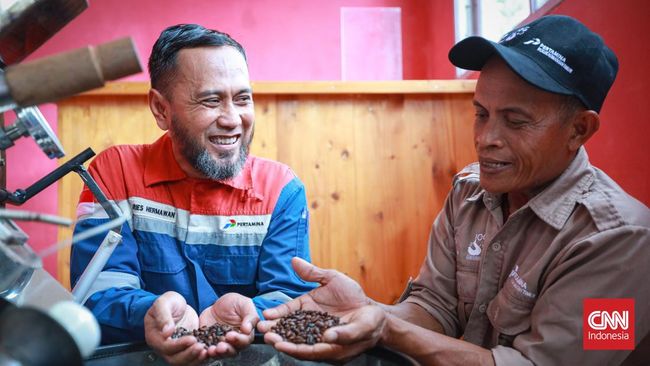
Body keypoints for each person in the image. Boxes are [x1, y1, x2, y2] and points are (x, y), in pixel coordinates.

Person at [258, 15, 650, 365]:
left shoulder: (622, 238)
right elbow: (435, 307)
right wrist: (367, 311)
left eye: (515, 121)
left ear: (579, 130)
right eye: (481, 114)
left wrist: (387, 330)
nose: (486, 138)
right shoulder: (470, 192)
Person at [70, 24, 316, 365]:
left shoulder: (281, 190)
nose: (233, 119)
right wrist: (147, 312)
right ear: (161, 109)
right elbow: (96, 295)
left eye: (243, 99)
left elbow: (289, 297)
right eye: (211, 101)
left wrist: (250, 312)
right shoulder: (114, 174)